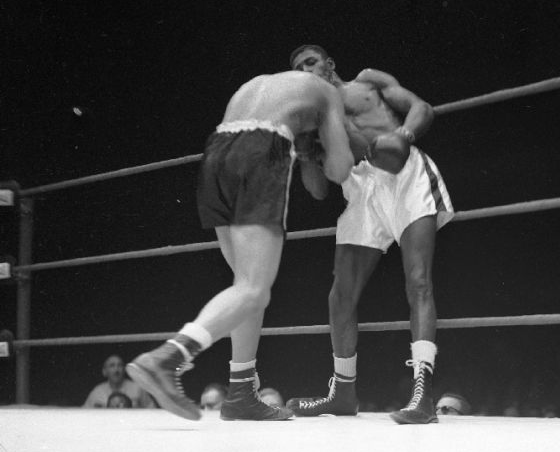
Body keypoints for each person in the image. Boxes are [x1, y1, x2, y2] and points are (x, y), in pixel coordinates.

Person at [127, 71, 353, 421]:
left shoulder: (258, 85)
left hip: (218, 150)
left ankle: (241, 391)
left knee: (245, 286)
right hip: (262, 149)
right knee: (253, 289)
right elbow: (339, 170)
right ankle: (167, 357)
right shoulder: (326, 92)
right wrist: (315, 147)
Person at [285, 45, 454, 425]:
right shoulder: (313, 122)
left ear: (330, 64)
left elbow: (422, 108)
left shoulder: (367, 83)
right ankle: (343, 391)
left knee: (418, 281)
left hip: (404, 173)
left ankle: (422, 393)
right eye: (299, 69)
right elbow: (316, 191)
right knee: (339, 295)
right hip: (361, 189)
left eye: (311, 62)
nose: (307, 71)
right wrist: (304, 150)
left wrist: (403, 135)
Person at [83, 354, 155, 408]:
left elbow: (152, 411)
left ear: (124, 370)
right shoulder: (97, 392)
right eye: (112, 366)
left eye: (120, 365)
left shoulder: (137, 389)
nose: (116, 370)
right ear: (104, 372)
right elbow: (84, 414)